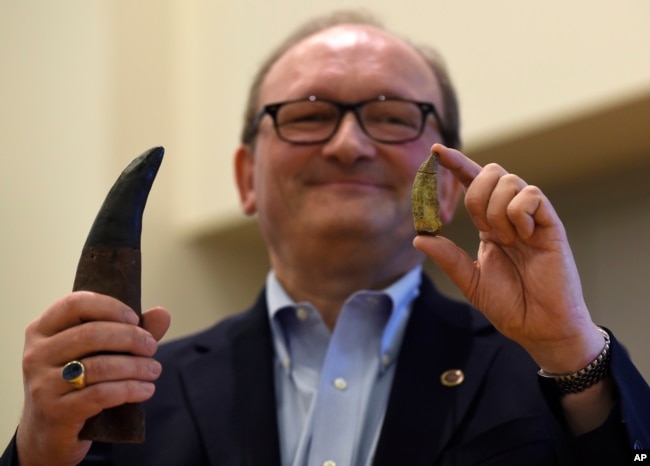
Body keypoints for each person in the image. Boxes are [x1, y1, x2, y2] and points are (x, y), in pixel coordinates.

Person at [2, 9, 649, 466]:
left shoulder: (550, 374)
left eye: (393, 116)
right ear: (245, 177)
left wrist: (572, 353)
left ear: (448, 182)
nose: (349, 145)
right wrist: (38, 451)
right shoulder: (130, 397)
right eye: (309, 115)